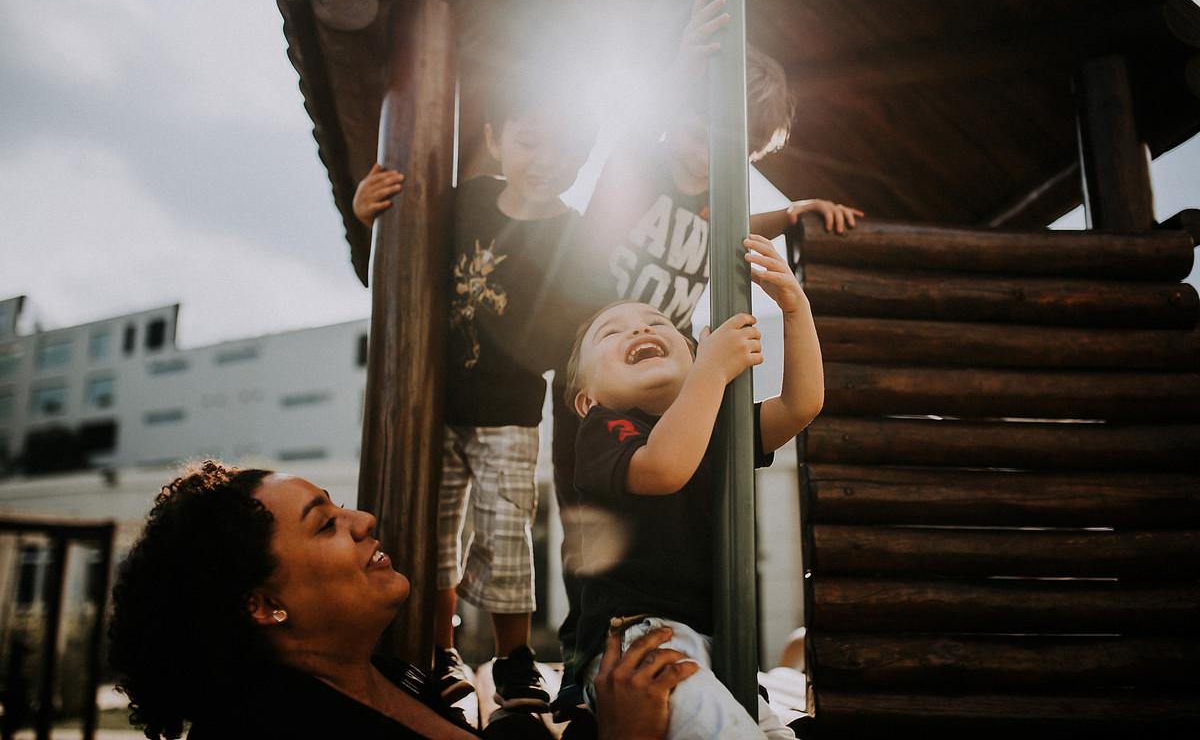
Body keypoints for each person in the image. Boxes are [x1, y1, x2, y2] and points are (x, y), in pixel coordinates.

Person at [549, 0, 858, 720]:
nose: (700, 154)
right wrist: (683, 65)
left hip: (681, 400)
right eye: (692, 131)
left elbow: (801, 403)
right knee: (598, 520)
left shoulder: (715, 205)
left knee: (690, 493)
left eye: (724, 148)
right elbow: (633, 133)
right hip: (603, 391)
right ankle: (590, 652)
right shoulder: (643, 174)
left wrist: (793, 222)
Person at [107, 461, 698, 740]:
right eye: (325, 525)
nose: (363, 520)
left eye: (340, 508)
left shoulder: (392, 674)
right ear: (261, 602)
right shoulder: (264, 732)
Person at [353, 68, 597, 712]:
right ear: (496, 137)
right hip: (435, 407)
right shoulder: (462, 202)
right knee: (434, 533)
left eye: (564, 147)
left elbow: (575, 327)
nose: (545, 159)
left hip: (511, 414)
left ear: (582, 157)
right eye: (530, 140)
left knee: (504, 532)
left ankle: (514, 657)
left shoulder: (574, 236)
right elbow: (397, 264)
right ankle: (441, 650)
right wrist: (369, 215)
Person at [560, 233, 824, 740]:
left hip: (719, 643)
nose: (639, 326)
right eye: (609, 333)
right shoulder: (606, 428)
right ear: (587, 400)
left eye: (658, 322)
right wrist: (711, 370)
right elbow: (663, 468)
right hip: (639, 643)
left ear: (688, 351)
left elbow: (800, 405)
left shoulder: (711, 426)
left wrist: (794, 305)